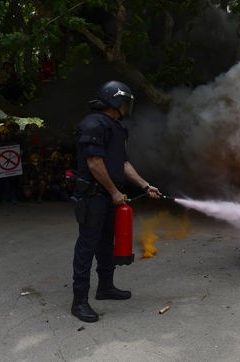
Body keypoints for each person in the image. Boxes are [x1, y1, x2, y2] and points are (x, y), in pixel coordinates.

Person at [71, 80, 162, 323]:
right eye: (125, 102)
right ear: (116, 100)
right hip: (92, 197)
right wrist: (113, 192)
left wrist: (144, 185)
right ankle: (79, 302)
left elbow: (123, 164)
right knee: (86, 248)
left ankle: (105, 288)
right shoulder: (93, 124)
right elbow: (94, 163)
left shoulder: (115, 128)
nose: (127, 107)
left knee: (105, 245)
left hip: (108, 198)